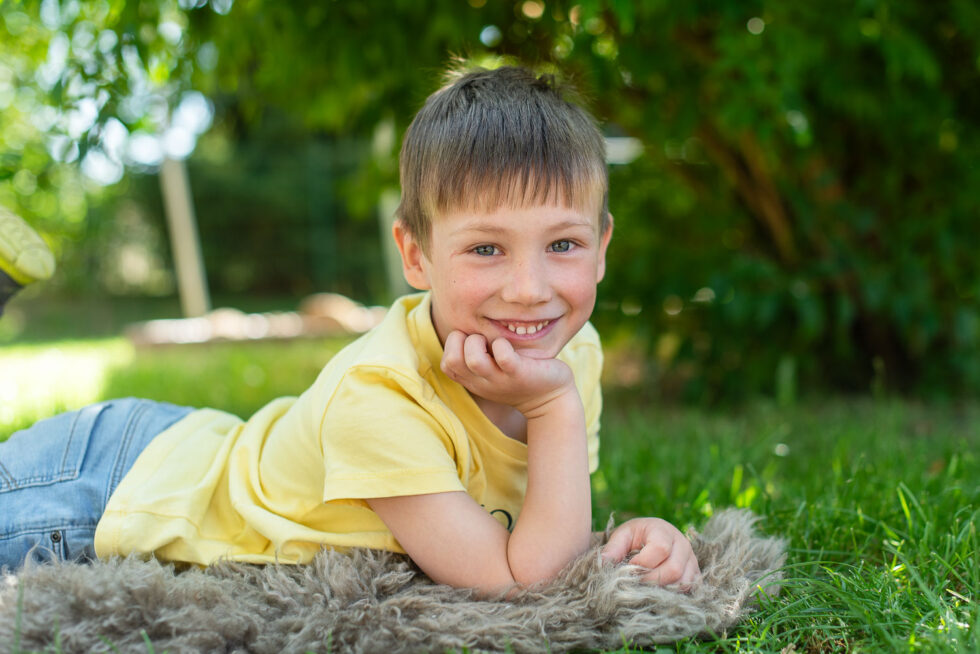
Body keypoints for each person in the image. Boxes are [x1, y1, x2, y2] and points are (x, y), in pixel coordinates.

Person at [0, 66, 700, 595]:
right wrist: (551, 407)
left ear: (602, 246)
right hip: (105, 489)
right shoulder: (380, 395)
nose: (530, 288)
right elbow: (523, 583)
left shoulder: (573, 350)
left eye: (564, 245)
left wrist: (638, 538)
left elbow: (550, 524)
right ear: (416, 255)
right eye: (486, 249)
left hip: (186, 447)